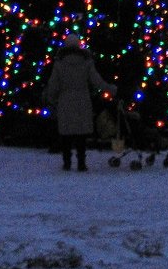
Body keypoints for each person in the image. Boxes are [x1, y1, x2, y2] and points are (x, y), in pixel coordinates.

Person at [43, 33, 117, 172]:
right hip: (83, 99)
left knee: (66, 132)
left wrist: (51, 97)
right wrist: (109, 88)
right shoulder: (86, 62)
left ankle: (67, 162)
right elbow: (96, 81)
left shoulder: (59, 63)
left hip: (65, 100)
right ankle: (81, 163)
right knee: (81, 133)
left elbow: (53, 84)